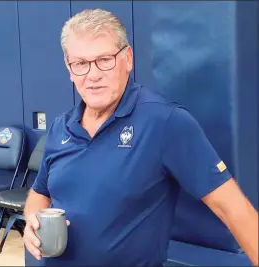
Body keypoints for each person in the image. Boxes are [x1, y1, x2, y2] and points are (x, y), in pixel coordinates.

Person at [23, 9, 258, 267]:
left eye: (104, 59)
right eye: (80, 63)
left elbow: (233, 208)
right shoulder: (60, 128)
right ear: (69, 69)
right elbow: (39, 193)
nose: (92, 75)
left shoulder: (165, 122)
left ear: (128, 59)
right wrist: (32, 219)